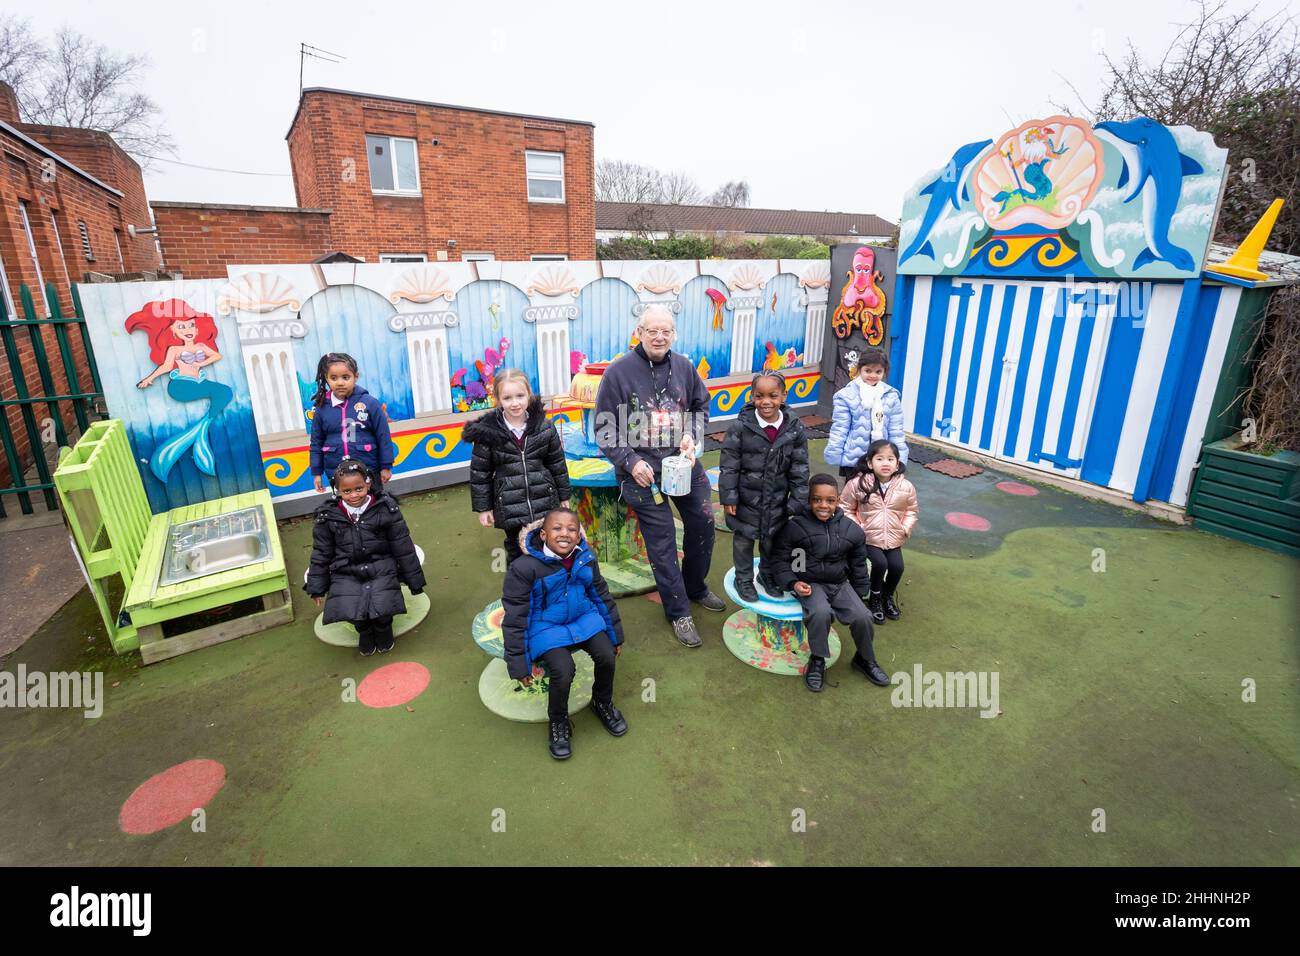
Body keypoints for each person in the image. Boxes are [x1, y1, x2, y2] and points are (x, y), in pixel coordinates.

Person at [593, 304, 723, 648]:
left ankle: (694, 586)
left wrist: (692, 437)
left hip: (682, 464)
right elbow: (604, 429)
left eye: (666, 331)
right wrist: (630, 460)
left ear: (674, 334)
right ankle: (678, 612)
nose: (659, 336)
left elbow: (699, 407)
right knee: (663, 541)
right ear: (639, 332)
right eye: (652, 330)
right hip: (641, 473)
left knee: (704, 524)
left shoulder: (684, 366)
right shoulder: (617, 373)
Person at [502, 508, 628, 760]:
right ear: (544, 533)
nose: (565, 534)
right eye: (557, 528)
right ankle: (558, 721)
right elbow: (515, 617)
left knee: (606, 655)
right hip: (545, 626)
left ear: (579, 534)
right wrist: (519, 663)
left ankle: (602, 702)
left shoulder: (585, 557)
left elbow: (600, 595)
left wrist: (615, 635)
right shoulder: (524, 567)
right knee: (563, 669)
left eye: (572, 529)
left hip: (583, 617)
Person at [769, 474, 890, 692]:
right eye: (817, 499)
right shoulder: (795, 527)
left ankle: (864, 659)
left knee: (863, 616)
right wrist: (794, 583)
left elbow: (859, 565)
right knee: (820, 613)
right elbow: (781, 560)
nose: (823, 505)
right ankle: (817, 660)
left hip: (839, 583)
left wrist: (861, 593)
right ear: (809, 500)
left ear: (837, 500)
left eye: (830, 500)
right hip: (810, 583)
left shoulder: (851, 530)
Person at [305, 458, 426, 656]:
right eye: (347, 491)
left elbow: (402, 546)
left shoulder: (386, 509)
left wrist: (414, 581)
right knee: (350, 606)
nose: (354, 495)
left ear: (368, 483)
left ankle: (383, 627)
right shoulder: (328, 517)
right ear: (337, 490)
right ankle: (364, 630)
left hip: (381, 565)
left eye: (359, 489)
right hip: (346, 570)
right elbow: (321, 553)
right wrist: (316, 587)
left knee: (383, 603)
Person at [718, 371, 810, 602]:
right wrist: (729, 497)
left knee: (772, 541)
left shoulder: (794, 428)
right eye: (759, 396)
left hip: (777, 500)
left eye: (772, 395)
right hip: (746, 500)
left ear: (784, 395)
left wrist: (798, 499)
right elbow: (729, 466)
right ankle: (744, 579)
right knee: (743, 540)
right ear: (752, 396)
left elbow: (800, 467)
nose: (766, 402)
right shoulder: (740, 427)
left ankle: (767, 576)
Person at [463, 368, 571, 564]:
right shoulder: (488, 433)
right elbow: (480, 473)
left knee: (549, 547)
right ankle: (520, 590)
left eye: (520, 396)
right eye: (507, 398)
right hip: (509, 504)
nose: (515, 403)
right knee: (516, 550)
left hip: (544, 500)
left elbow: (557, 463)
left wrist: (564, 496)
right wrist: (484, 508)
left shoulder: (545, 428)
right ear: (497, 399)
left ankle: (548, 589)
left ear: (529, 394)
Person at [839, 439, 918, 623]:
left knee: (897, 567)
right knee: (880, 564)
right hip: (867, 537)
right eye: (880, 459)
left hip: (893, 537)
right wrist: (859, 529)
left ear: (897, 464)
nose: (885, 463)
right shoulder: (858, 483)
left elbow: (911, 511)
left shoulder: (905, 486)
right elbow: (845, 507)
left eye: (890, 459)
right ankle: (875, 597)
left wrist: (904, 528)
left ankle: (887, 596)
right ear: (869, 463)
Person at [309, 352, 395, 493]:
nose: (340, 382)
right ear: (326, 379)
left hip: (369, 470)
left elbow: (383, 436)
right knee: (344, 510)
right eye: (333, 378)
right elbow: (316, 442)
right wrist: (316, 473)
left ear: (356, 377)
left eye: (346, 377)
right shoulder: (321, 408)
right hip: (337, 473)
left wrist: (386, 466)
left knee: (374, 507)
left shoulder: (370, 403)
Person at [824, 347, 908, 477]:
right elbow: (840, 428)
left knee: (879, 495)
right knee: (854, 493)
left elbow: (896, 431)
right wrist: (834, 453)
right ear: (859, 369)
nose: (873, 376)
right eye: (868, 371)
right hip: (855, 459)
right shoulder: (846, 396)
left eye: (878, 372)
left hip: (882, 459)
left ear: (884, 372)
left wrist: (900, 458)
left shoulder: (891, 396)